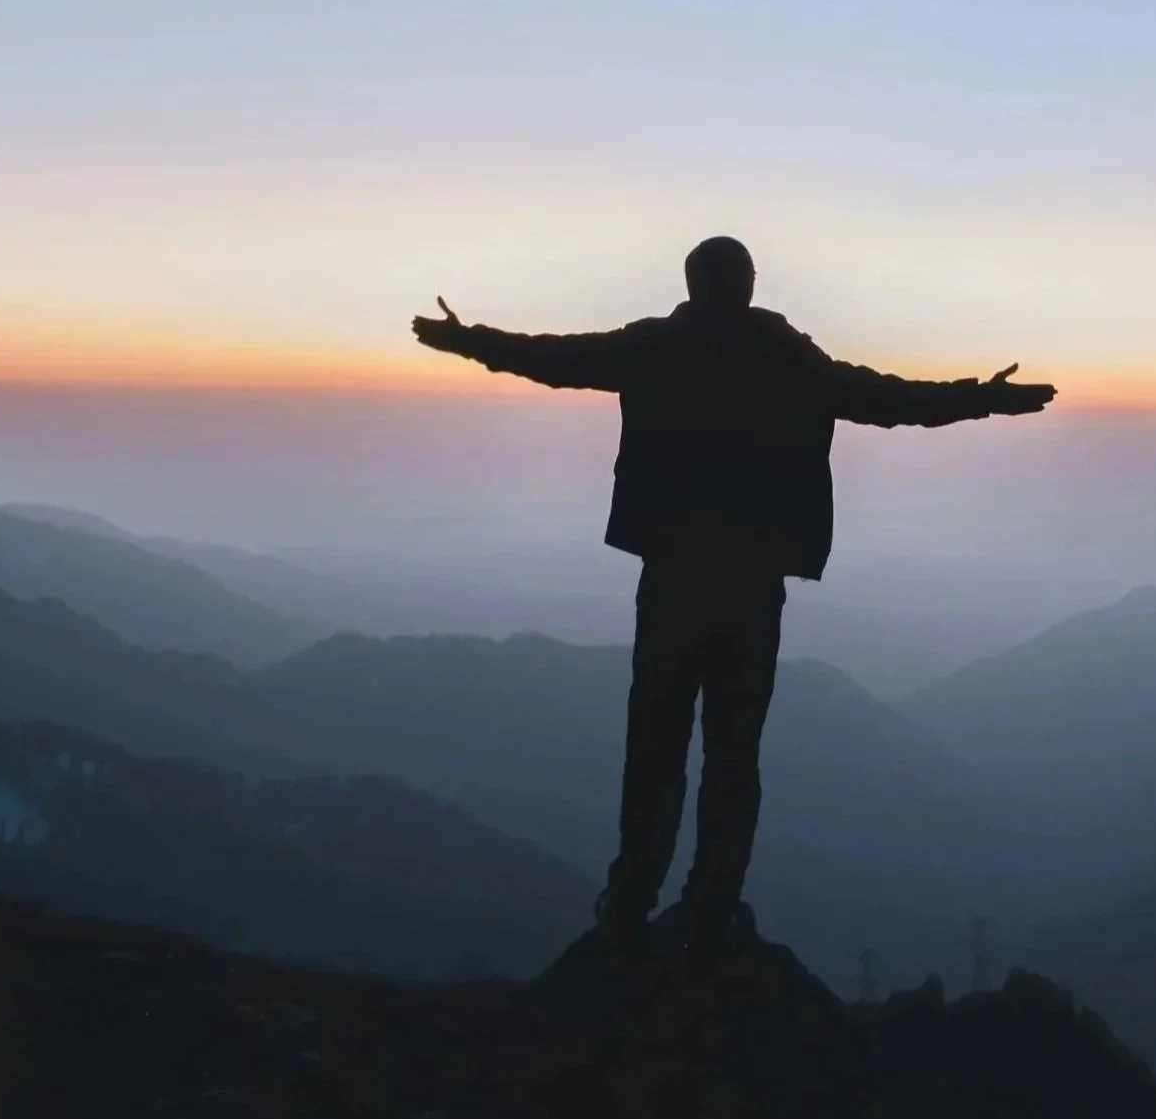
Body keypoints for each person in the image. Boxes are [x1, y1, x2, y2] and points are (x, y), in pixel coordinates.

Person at [411, 235, 1056, 976]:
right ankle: (710, 909)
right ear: (747, 284)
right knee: (732, 749)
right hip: (752, 582)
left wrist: (467, 341)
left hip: (674, 576)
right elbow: (887, 400)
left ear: (691, 284)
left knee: (654, 741)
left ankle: (630, 905)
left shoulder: (658, 347)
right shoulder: (785, 356)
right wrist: (981, 399)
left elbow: (555, 359)